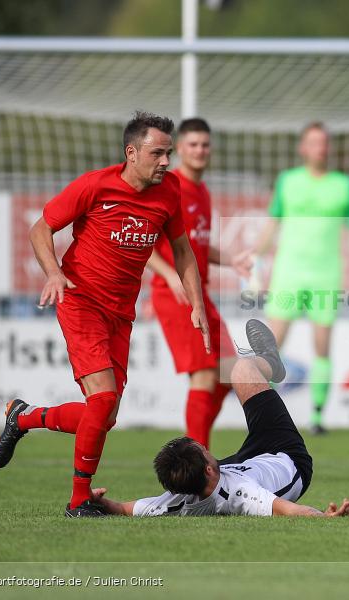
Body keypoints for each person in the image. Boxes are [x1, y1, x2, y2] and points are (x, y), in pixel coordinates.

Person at [0, 111, 210, 518]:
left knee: (103, 416)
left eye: (168, 153)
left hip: (120, 313)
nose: (166, 161)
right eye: (157, 153)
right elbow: (41, 229)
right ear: (132, 152)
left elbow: (182, 250)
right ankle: (79, 500)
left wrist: (196, 302)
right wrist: (55, 273)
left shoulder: (168, 195)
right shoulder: (96, 185)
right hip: (81, 301)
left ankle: (23, 418)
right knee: (104, 398)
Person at [92, 320, 349, 519]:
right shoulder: (242, 493)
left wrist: (98, 502)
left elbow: (127, 508)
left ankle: (268, 364)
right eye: (203, 450)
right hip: (287, 457)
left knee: (236, 371)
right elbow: (291, 511)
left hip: (247, 462)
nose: (206, 447)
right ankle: (272, 362)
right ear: (208, 468)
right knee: (242, 370)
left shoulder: (181, 499)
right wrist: (327, 516)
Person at [239, 122, 349, 435]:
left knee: (322, 346)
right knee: (270, 346)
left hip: (326, 274)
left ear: (329, 147)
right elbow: (273, 224)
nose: (319, 148)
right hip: (288, 273)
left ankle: (318, 417)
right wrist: (254, 254)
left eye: (324, 143)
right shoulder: (288, 181)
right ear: (303, 148)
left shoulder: (344, 185)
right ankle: (264, 418)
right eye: (313, 142)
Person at [146, 117, 244, 450]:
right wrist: (168, 273)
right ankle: (197, 467)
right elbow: (143, 241)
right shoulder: (167, 186)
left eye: (205, 144)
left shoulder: (202, 191)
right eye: (192, 145)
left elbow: (195, 245)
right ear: (180, 150)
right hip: (175, 295)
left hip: (200, 294)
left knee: (230, 373)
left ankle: (195, 451)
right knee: (204, 374)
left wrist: (233, 260)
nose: (200, 150)